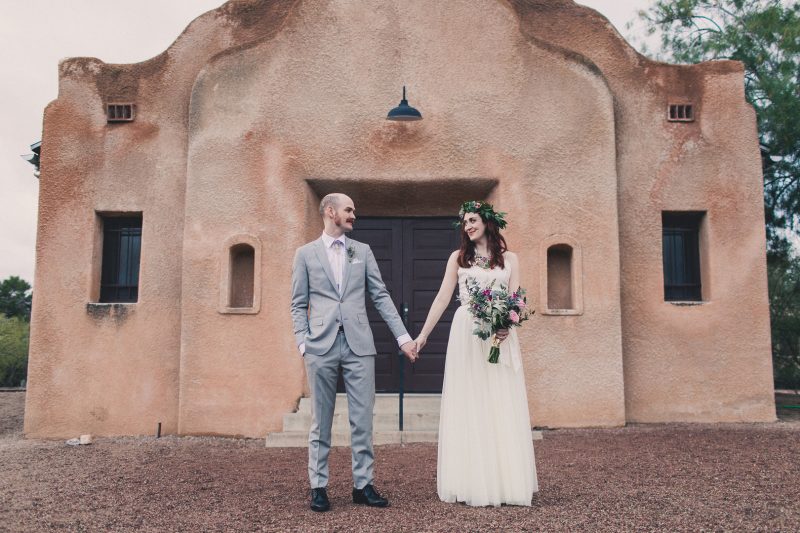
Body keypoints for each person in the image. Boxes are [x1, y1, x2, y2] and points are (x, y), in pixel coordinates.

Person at [290, 193, 418, 513]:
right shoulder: (305, 254)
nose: (353, 215)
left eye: (354, 211)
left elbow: (381, 295)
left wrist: (402, 337)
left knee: (362, 420)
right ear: (330, 212)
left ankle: (363, 485)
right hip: (320, 346)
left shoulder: (362, 251)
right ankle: (318, 486)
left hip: (359, 345)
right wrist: (303, 343)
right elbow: (297, 303)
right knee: (321, 419)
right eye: (349, 210)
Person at [414, 200, 538, 506]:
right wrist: (423, 334)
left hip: (498, 337)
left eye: (472, 220)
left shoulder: (510, 258)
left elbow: (514, 298)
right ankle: (471, 481)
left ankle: (506, 482)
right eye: (464, 222)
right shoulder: (458, 259)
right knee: (471, 400)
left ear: (487, 221)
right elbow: (443, 297)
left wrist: (509, 323)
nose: (468, 226)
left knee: (499, 401)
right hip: (468, 333)